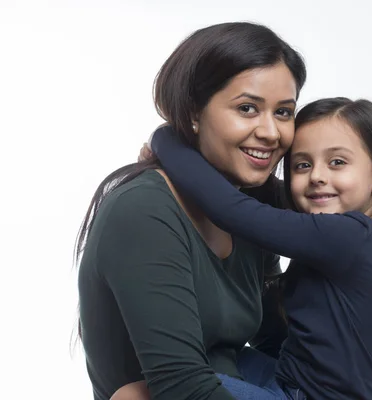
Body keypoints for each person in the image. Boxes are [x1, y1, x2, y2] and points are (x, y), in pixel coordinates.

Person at [118, 97, 372, 399]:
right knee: (204, 351)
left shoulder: (351, 237)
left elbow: (236, 211)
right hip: (288, 378)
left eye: (337, 162)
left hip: (299, 395)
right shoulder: (369, 237)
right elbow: (263, 194)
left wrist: (166, 138)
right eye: (302, 165)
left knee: (136, 394)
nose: (317, 177)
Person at [76, 22, 307, 400]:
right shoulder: (144, 210)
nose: (271, 132)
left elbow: (275, 344)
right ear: (194, 112)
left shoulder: (251, 207)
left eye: (283, 112)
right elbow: (182, 387)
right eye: (247, 108)